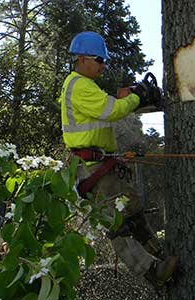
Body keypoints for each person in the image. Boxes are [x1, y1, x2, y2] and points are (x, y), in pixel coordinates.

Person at [58, 31, 177, 286]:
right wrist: (137, 97)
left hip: (99, 163)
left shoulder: (87, 86)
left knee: (131, 207)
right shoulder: (78, 85)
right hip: (90, 167)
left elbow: (110, 106)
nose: (103, 65)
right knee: (118, 222)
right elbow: (110, 110)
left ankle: (158, 252)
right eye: (99, 60)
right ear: (82, 59)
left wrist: (136, 98)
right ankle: (152, 271)